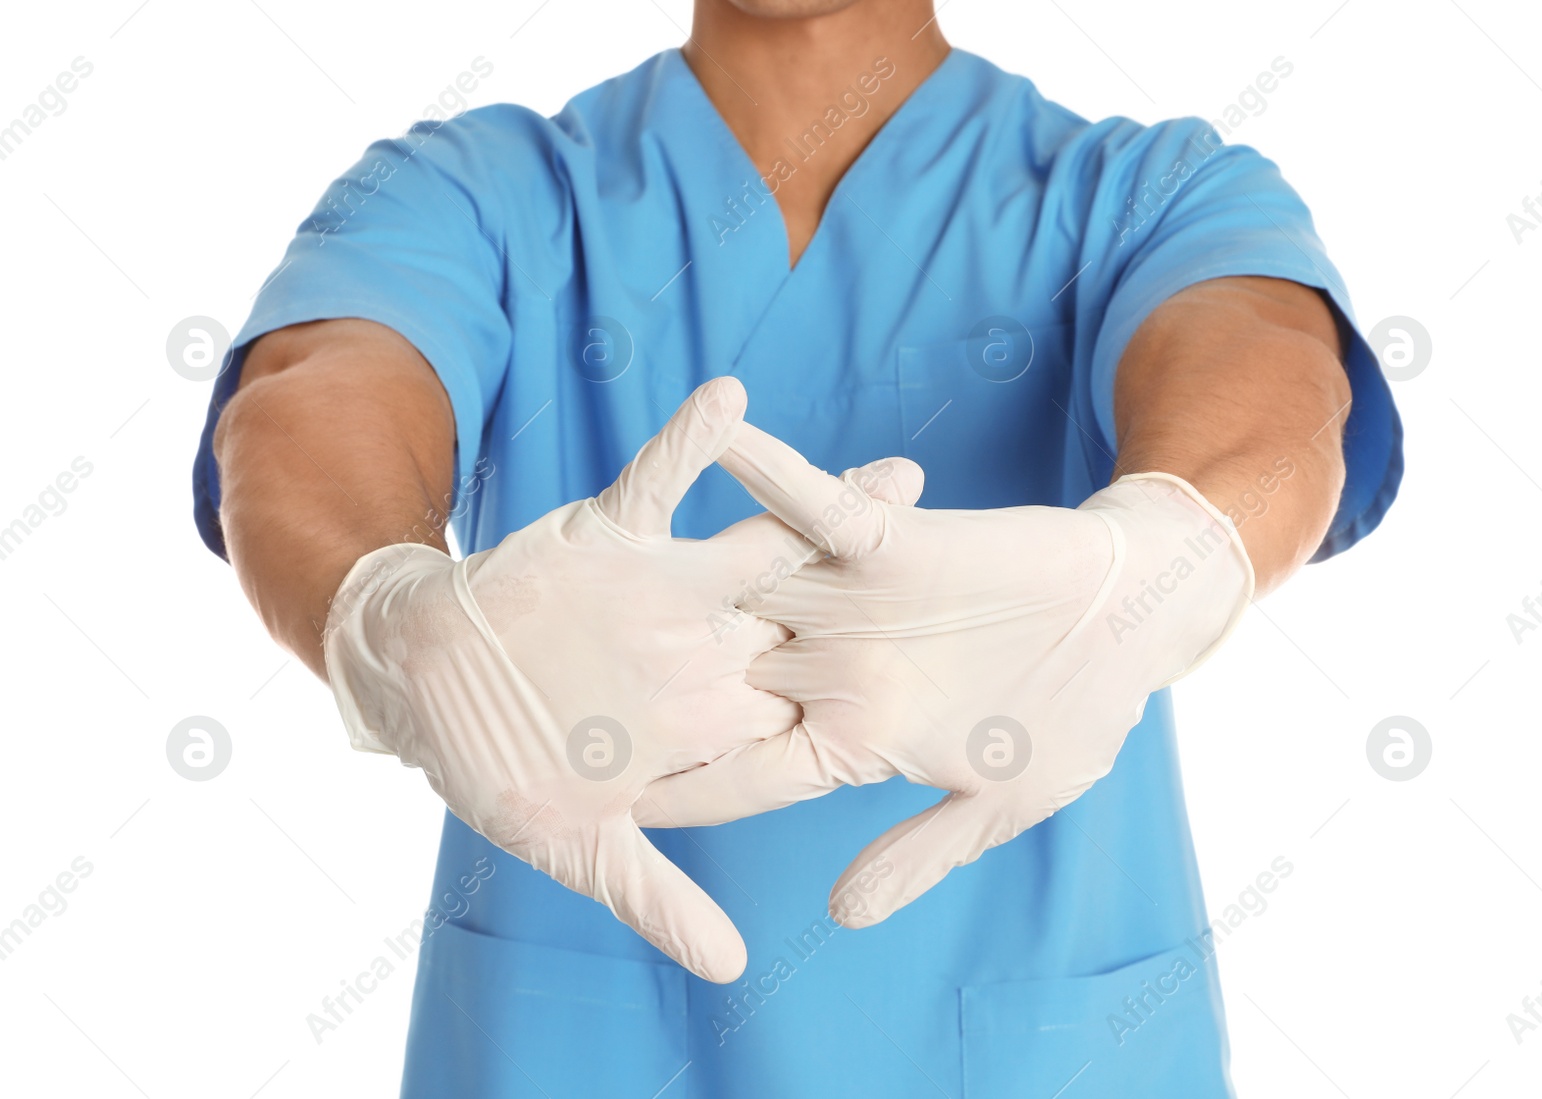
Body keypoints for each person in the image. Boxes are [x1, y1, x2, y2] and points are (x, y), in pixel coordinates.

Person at [192, 1, 1402, 1094]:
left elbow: (1268, 375)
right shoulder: (471, 192)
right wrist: (388, 613)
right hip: (574, 1048)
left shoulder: (1155, 193)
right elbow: (316, 394)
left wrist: (1159, 557)